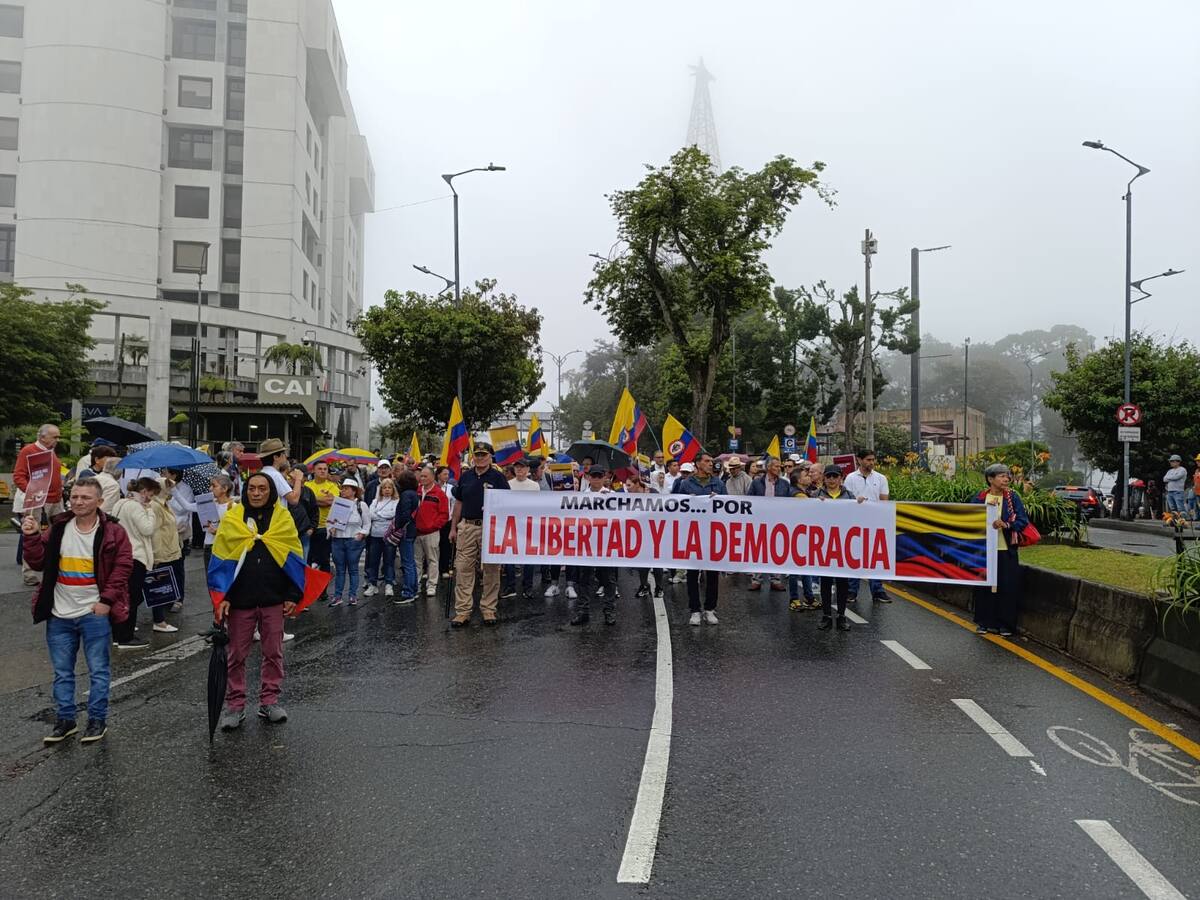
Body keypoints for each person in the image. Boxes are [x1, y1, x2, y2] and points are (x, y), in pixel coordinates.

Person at [24, 477, 133, 744]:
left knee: (98, 670)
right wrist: (31, 537)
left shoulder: (113, 531)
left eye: (85, 497)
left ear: (99, 501)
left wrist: (105, 602)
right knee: (62, 672)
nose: (78, 502)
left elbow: (123, 567)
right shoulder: (60, 526)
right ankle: (66, 721)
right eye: (74, 497)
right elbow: (37, 561)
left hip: (93, 614)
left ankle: (97, 720)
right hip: (59, 613)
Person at [212, 472, 302, 730]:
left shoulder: (282, 518)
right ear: (245, 490)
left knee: (273, 652)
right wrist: (223, 596)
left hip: (274, 599)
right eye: (252, 488)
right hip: (241, 600)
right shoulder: (233, 518)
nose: (257, 493)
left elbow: (295, 557)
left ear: (271, 491)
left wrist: (293, 594)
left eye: (263, 488)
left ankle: (269, 701)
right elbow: (221, 559)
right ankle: (235, 705)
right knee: (237, 654)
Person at [449, 442, 510, 628]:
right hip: (467, 526)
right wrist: (453, 528)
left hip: (490, 528)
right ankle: (463, 611)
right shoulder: (465, 476)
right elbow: (458, 503)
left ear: (490, 456)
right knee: (463, 568)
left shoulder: (498, 478)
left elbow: (507, 503)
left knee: (491, 569)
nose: (480, 457)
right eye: (477, 454)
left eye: (484, 454)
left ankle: (488, 608)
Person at [971, 463, 1029, 637]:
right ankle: (984, 622)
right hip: (984, 551)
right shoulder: (980, 497)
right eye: (1002, 476)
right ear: (990, 479)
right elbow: (970, 517)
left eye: (1007, 476)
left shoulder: (1012, 497)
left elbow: (1022, 520)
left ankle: (1005, 624)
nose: (1006, 479)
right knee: (983, 587)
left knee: (1007, 586)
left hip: (1006, 550)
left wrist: (1006, 525)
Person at [109, 476, 165, 649]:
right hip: (135, 555)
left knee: (123, 595)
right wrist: (149, 511)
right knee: (133, 597)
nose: (151, 498)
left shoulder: (121, 502)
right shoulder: (136, 506)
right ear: (144, 491)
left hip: (119, 554)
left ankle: (118, 632)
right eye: (151, 494)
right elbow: (147, 529)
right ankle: (126, 636)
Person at [672, 453, 727, 625]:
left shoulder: (718, 483)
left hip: (712, 533)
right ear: (697, 464)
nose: (710, 464)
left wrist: (717, 501)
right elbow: (679, 506)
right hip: (693, 534)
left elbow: (727, 506)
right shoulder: (686, 484)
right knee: (692, 573)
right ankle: (695, 609)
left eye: (711, 461)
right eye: (706, 461)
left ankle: (710, 609)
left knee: (712, 573)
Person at [815, 465, 865, 631]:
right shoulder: (817, 495)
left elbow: (858, 515)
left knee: (843, 582)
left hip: (844, 544)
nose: (831, 480)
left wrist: (860, 503)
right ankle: (827, 615)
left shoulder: (849, 495)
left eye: (834, 476)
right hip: (824, 545)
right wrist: (815, 504)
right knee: (826, 582)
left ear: (840, 478)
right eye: (828, 476)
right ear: (824, 478)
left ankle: (842, 616)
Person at [15, 424, 65, 586]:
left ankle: (54, 569)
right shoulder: (28, 451)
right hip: (38, 501)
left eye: (58, 437)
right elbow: (19, 476)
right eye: (54, 437)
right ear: (42, 437)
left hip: (56, 500)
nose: (57, 440)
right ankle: (29, 575)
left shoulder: (50, 451)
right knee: (32, 535)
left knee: (58, 533)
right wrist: (33, 493)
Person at [571, 466, 619, 626]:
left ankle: (609, 611)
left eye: (600, 476)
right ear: (588, 477)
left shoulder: (612, 495)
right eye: (594, 476)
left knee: (609, 580)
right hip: (587, 544)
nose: (597, 479)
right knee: (584, 579)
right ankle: (583, 611)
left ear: (604, 477)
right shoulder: (580, 496)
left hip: (606, 544)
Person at [843, 449, 892, 604]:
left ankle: (877, 590)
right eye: (868, 460)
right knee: (854, 557)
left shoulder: (881, 478)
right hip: (854, 524)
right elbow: (847, 500)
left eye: (873, 460)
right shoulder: (850, 478)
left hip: (874, 524)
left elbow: (884, 500)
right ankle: (851, 591)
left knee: (875, 558)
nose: (871, 462)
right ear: (859, 460)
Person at [747, 456, 793, 592]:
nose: (779, 469)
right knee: (758, 550)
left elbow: (791, 502)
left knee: (776, 550)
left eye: (780, 466)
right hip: (760, 521)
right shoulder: (756, 483)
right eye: (776, 466)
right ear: (768, 467)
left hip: (778, 522)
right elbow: (749, 500)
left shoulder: (785, 484)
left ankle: (776, 579)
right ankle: (756, 579)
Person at [328, 477, 372, 607]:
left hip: (353, 541)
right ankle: (338, 596)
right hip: (338, 541)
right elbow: (329, 521)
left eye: (346, 488)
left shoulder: (361, 505)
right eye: (343, 488)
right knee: (340, 570)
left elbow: (367, 523)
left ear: (354, 491)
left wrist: (362, 534)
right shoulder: (338, 504)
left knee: (353, 569)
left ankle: (353, 595)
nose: (343, 491)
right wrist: (331, 530)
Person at [502, 457, 541, 600]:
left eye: (522, 467)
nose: (519, 470)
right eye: (517, 467)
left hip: (528, 525)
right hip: (511, 524)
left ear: (527, 470)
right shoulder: (508, 484)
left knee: (528, 558)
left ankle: (528, 587)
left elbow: (537, 505)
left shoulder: (534, 486)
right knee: (509, 556)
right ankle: (510, 586)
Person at [149, 479, 184, 628]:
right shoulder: (155, 506)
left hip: (172, 549)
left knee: (167, 584)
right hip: (163, 552)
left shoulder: (165, 504)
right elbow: (154, 532)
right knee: (158, 585)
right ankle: (159, 621)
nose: (171, 490)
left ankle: (161, 618)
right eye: (168, 487)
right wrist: (156, 554)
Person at [787, 466, 820, 611]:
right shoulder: (799, 496)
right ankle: (795, 598)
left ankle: (808, 597)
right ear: (799, 480)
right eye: (806, 475)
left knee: (804, 567)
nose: (809, 476)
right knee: (795, 569)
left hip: (801, 535)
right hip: (797, 536)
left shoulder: (803, 493)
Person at [364, 477, 398, 598]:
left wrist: (378, 515)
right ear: (381, 490)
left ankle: (389, 584)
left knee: (389, 561)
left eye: (389, 487)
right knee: (373, 561)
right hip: (375, 535)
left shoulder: (396, 501)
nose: (387, 490)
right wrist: (383, 517)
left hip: (389, 536)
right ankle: (372, 584)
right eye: (384, 488)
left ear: (393, 489)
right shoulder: (375, 501)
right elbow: (369, 514)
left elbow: (393, 514)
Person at [391, 470, 421, 602]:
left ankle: (408, 591)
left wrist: (397, 527)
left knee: (407, 562)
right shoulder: (414, 494)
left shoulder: (405, 495)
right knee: (411, 562)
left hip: (405, 531)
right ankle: (413, 589)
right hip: (411, 530)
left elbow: (404, 515)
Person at [256, 438, 302, 507]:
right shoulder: (275, 475)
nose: (286, 456)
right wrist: (298, 479)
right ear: (275, 457)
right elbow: (294, 499)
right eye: (283, 453)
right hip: (277, 516)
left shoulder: (262, 473)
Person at [203, 474, 235, 566]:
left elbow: (234, 532)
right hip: (208, 546)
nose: (210, 489)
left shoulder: (233, 507)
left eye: (214, 486)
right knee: (210, 578)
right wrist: (173, 490)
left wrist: (217, 532)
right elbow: (187, 506)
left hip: (223, 548)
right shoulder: (209, 504)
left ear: (224, 489)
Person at [288, 464, 318, 562]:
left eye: (306, 476)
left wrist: (312, 528)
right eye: (303, 476)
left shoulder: (308, 491)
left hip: (304, 533)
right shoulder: (285, 489)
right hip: (287, 532)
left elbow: (314, 511)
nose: (305, 479)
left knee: (303, 562)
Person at [435, 465, 456, 579]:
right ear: (438, 475)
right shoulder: (433, 487)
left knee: (445, 545)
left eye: (448, 474)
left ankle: (444, 568)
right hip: (434, 520)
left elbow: (454, 503)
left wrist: (451, 515)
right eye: (444, 474)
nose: (446, 476)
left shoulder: (451, 488)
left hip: (446, 521)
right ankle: (429, 569)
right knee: (433, 546)